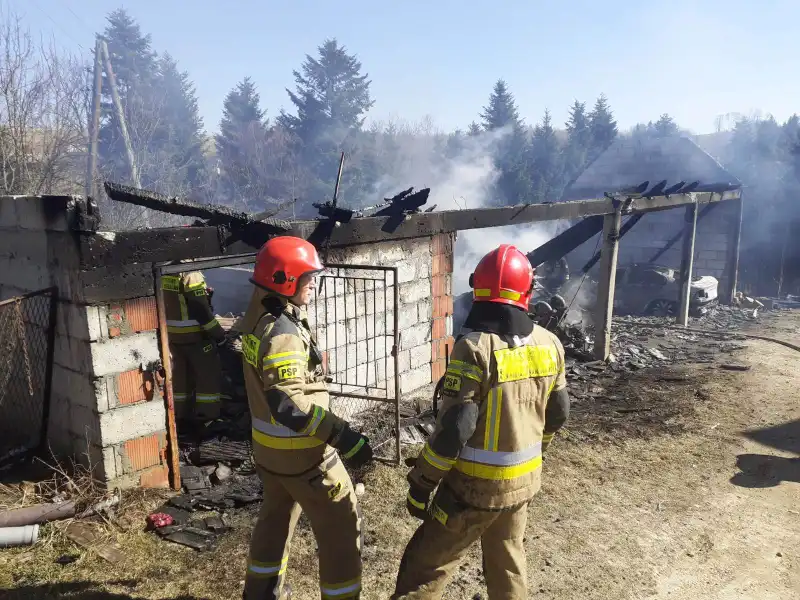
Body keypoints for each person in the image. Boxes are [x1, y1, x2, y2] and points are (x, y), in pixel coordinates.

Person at [393, 244, 571, 599]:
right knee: (508, 565)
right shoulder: (550, 343)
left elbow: (456, 429)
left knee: (425, 568)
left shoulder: (474, 347)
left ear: (478, 288)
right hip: (522, 485)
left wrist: (422, 482)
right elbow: (559, 413)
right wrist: (538, 453)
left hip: (472, 490)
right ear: (527, 291)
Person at [240, 236, 374, 600]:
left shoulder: (258, 313)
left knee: (274, 524)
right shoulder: (282, 332)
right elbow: (287, 402)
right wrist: (343, 436)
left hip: (270, 456)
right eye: (308, 277)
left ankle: (260, 594)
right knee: (342, 532)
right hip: (305, 457)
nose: (314, 284)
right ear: (285, 280)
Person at [162, 267, 225, 422]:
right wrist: (218, 334)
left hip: (172, 338)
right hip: (196, 337)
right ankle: (207, 420)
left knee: (179, 381)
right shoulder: (190, 274)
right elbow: (200, 309)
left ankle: (179, 420)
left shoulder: (164, 269)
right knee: (207, 379)